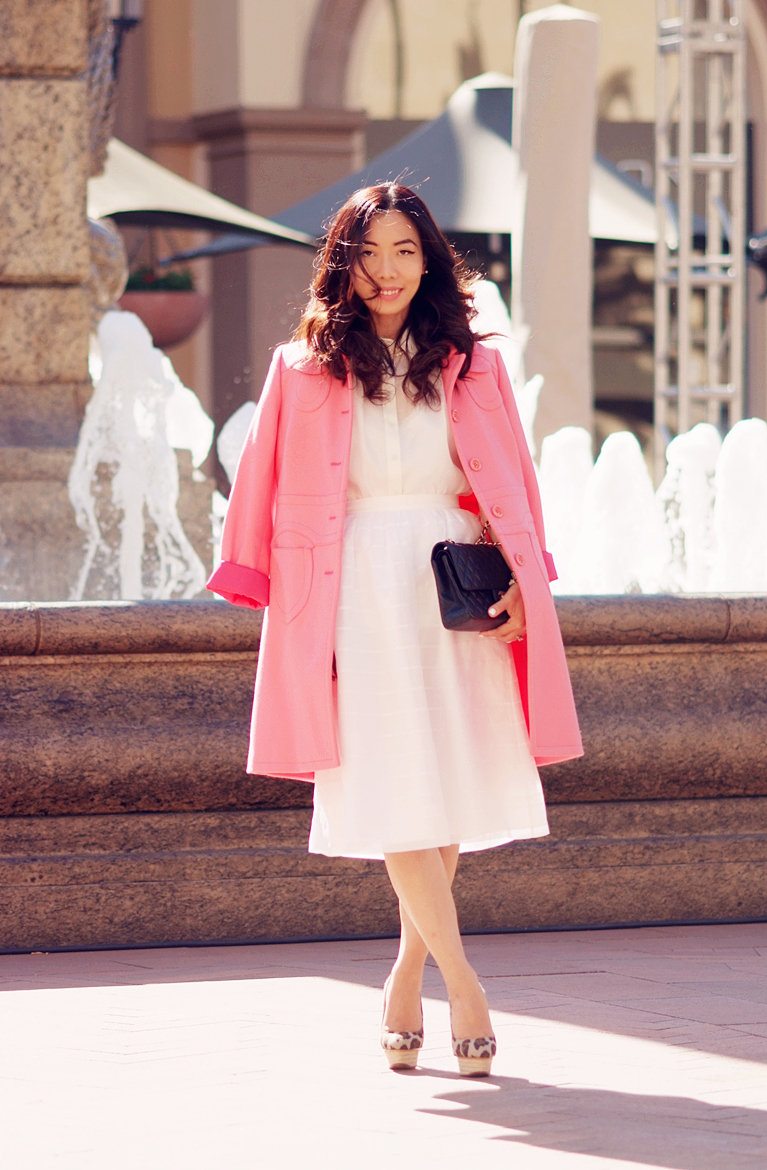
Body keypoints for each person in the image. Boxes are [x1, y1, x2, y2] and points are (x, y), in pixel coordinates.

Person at [208, 182, 583, 1077]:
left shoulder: (476, 363)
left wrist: (530, 585)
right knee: (394, 772)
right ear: (344, 261)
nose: (387, 271)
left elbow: (518, 487)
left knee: (447, 774)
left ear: (431, 260)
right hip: (354, 583)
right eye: (369, 252)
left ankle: (406, 970)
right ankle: (466, 984)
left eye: (406, 251)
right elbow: (259, 479)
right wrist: (258, 582)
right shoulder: (301, 367)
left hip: (456, 579)